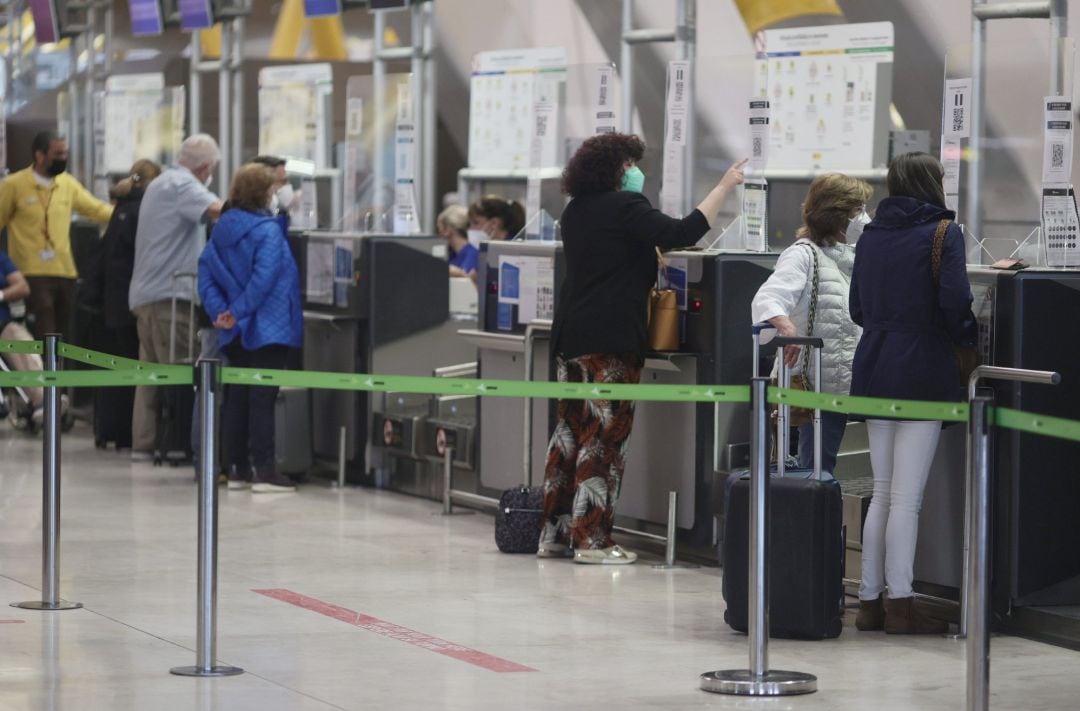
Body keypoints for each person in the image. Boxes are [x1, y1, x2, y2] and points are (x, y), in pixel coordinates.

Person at [540, 133, 747, 564]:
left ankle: (555, 533)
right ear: (618, 168)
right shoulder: (625, 208)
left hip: (570, 338)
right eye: (632, 162)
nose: (637, 170)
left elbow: (617, 253)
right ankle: (593, 541)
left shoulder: (575, 211)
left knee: (568, 437)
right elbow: (684, 231)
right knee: (604, 440)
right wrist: (725, 186)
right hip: (610, 342)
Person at [850, 152, 975, 634]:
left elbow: (858, 305)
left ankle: (868, 603)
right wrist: (961, 337)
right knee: (906, 499)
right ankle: (901, 604)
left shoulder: (871, 235)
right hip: (923, 368)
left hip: (875, 364)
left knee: (880, 493)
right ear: (932, 184)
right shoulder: (945, 234)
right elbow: (956, 303)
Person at [751, 173, 872, 475]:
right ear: (838, 214)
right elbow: (768, 298)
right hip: (817, 385)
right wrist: (786, 327)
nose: (864, 215)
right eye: (858, 208)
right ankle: (816, 522)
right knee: (817, 468)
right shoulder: (803, 254)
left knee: (844, 468)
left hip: (854, 382)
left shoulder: (859, 255)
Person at [198, 163, 303, 493]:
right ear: (264, 193)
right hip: (268, 327)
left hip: (235, 332)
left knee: (237, 397)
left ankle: (238, 469)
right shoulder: (268, 231)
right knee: (262, 398)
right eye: (273, 190)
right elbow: (265, 278)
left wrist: (223, 313)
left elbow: (207, 275)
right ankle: (266, 471)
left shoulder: (221, 229)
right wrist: (239, 311)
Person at [127, 134, 224, 460]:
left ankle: (144, 444)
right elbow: (218, 210)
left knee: (149, 375)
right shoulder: (184, 185)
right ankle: (182, 444)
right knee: (181, 372)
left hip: (146, 293)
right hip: (171, 297)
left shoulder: (161, 182)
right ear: (206, 167)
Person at [0, 131, 113, 337]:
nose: (63, 158)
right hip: (30, 272)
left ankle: (59, 369)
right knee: (44, 327)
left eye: (65, 153)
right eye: (58, 153)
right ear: (39, 155)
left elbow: (95, 209)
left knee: (64, 332)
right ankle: (43, 369)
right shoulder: (14, 185)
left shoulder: (67, 184)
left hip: (64, 271)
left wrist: (129, 213)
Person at [87, 159, 162, 448]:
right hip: (132, 302)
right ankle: (125, 433)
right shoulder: (142, 211)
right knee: (132, 369)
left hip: (109, 303)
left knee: (112, 367)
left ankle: (108, 429)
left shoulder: (122, 209)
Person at [0, 250, 44, 420]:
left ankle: (40, 399)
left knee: (20, 339)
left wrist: (2, 294)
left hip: (2, 325)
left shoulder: (1, 259)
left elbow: (22, 286)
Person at [437, 205, 479, 277]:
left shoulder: (474, 255)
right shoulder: (451, 254)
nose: (439, 234)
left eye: (439, 228)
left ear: (448, 230)